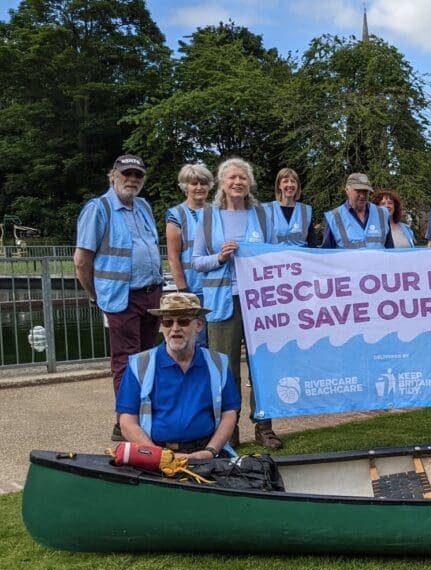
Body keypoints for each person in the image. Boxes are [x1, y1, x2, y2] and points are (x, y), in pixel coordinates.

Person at [191, 157, 283, 450]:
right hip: (222, 301)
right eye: (232, 177)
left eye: (243, 177)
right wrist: (219, 257)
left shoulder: (264, 216)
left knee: (262, 364)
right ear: (221, 183)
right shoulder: (207, 218)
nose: (237, 182)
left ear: (250, 183)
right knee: (225, 368)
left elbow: (275, 255)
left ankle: (264, 426)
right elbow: (196, 262)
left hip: (259, 301)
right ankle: (229, 429)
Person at [74, 154, 163, 441]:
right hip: (121, 298)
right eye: (127, 174)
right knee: (126, 361)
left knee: (148, 360)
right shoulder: (98, 209)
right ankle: (124, 424)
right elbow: (81, 261)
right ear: (112, 175)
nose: (132, 179)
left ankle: (143, 418)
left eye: (138, 175)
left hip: (151, 294)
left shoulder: (144, 207)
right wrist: (95, 295)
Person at [116, 292, 240, 460]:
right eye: (168, 322)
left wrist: (210, 451)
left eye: (183, 321)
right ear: (161, 326)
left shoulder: (218, 363)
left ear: (199, 325)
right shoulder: (139, 364)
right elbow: (127, 422)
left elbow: (229, 414)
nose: (174, 328)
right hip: (156, 452)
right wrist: (158, 456)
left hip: (206, 452)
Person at [166, 163, 214, 348]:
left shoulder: (216, 211)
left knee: (217, 340)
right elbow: (173, 257)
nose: (199, 188)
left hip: (216, 286)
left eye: (204, 183)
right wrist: (184, 289)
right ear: (185, 186)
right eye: (194, 183)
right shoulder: (176, 214)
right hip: (193, 288)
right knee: (197, 340)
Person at [321, 173, 391, 249]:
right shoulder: (333, 217)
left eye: (365, 191)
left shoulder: (382, 214)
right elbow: (327, 254)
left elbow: (390, 250)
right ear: (347, 190)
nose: (362, 195)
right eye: (358, 191)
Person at [264, 168, 317, 247]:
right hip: (275, 257)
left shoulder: (305, 211)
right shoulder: (266, 209)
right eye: (285, 181)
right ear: (279, 185)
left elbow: (312, 243)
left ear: (297, 186)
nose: (290, 184)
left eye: (293, 181)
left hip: (300, 258)